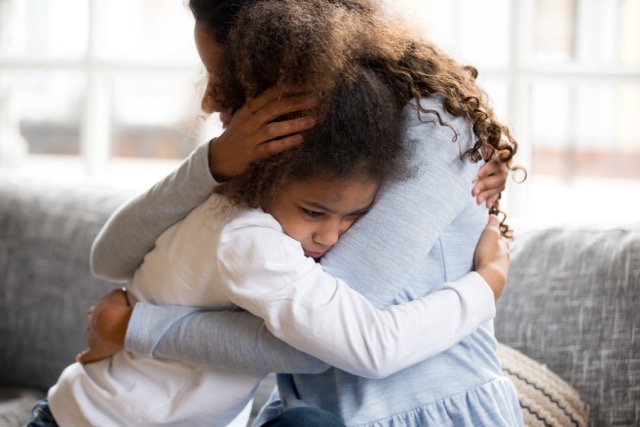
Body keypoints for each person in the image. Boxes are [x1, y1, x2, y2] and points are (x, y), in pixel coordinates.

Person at [76, 0, 523, 426]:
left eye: (222, 75)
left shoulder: (432, 127)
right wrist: (211, 163)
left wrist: (138, 327)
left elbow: (335, 342)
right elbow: (108, 259)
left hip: (427, 412)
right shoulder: (284, 158)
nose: (209, 102)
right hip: (311, 410)